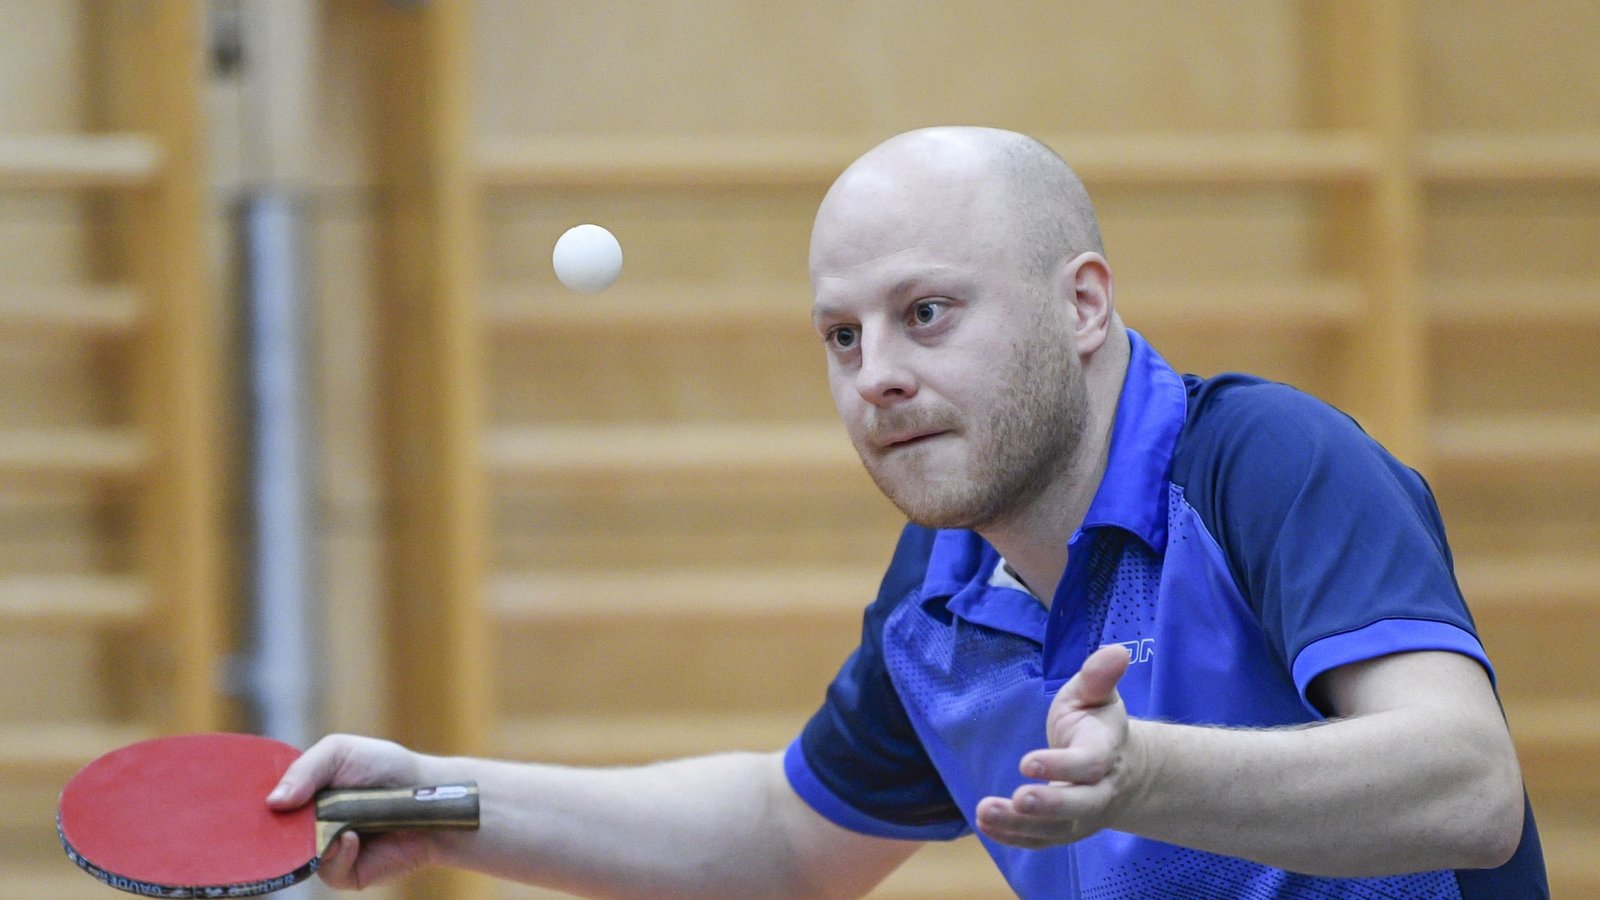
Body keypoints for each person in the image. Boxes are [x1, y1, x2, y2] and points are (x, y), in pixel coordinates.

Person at [269, 127, 1547, 897]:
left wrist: (1148, 776)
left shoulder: (1259, 465)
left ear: (1083, 306)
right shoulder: (943, 590)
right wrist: (439, 801)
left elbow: (1466, 785)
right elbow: (784, 842)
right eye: (840, 334)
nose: (873, 370)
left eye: (924, 313)